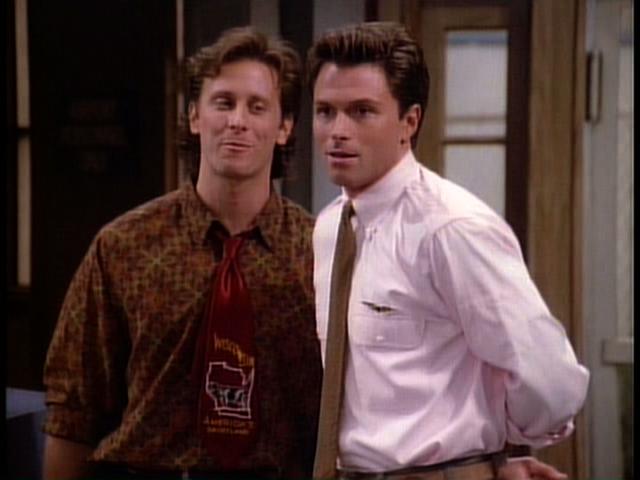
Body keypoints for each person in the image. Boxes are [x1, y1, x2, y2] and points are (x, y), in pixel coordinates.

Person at [309, 22, 590, 480]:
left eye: (361, 112)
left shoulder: (452, 228)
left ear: (409, 122)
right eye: (325, 112)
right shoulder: (329, 229)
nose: (337, 131)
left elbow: (549, 379)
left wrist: (496, 452)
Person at [42, 26, 322, 480]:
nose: (237, 121)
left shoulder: (318, 252)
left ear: (284, 127)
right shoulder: (124, 246)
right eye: (223, 103)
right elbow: (74, 410)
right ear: (195, 116)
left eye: (257, 107)